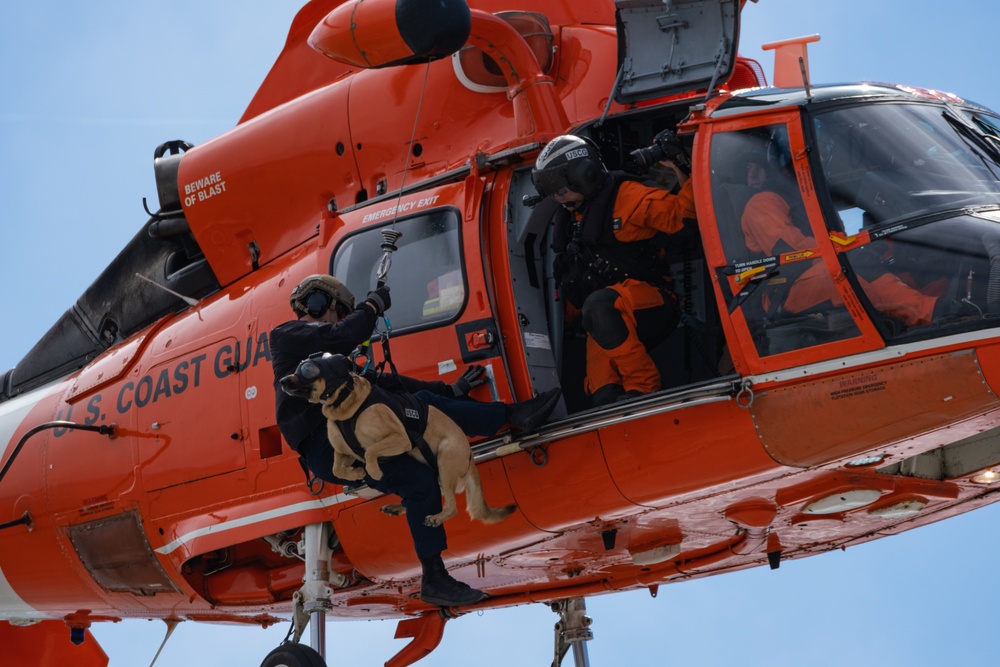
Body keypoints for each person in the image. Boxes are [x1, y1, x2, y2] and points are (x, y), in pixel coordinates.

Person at [269, 274, 560, 607]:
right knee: (419, 430)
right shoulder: (285, 337)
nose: (342, 320)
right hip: (328, 445)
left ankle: (434, 578)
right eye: (341, 313)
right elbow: (342, 334)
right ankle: (512, 416)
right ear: (323, 305)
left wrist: (449, 390)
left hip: (354, 433)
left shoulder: (338, 368)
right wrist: (373, 305)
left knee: (421, 469)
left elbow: (390, 383)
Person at [531, 134, 697, 406]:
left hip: (653, 303)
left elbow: (684, 219)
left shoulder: (629, 198)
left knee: (599, 306)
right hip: (604, 319)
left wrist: (684, 169)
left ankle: (645, 388)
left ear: (583, 174)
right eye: (551, 191)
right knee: (603, 396)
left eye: (560, 188)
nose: (557, 197)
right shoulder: (573, 215)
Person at [739, 150, 943, 327]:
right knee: (853, 267)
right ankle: (929, 312)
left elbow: (837, 243)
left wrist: (869, 249)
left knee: (904, 271)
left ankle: (952, 306)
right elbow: (793, 252)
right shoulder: (762, 203)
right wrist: (851, 252)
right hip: (787, 292)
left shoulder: (812, 202)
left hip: (821, 272)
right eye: (805, 161)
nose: (816, 165)